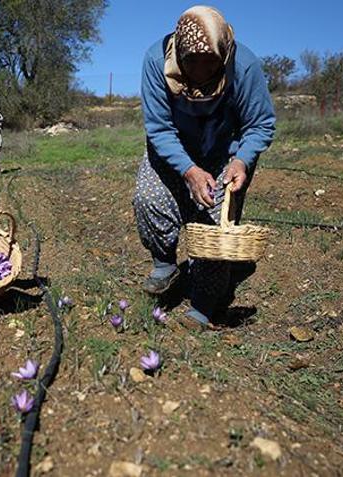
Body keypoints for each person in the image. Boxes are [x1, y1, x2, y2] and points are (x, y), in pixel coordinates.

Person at [133, 6, 275, 327]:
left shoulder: (245, 66)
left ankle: (203, 305)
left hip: (226, 152)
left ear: (223, 54)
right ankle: (165, 265)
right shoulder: (157, 62)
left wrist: (242, 160)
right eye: (190, 62)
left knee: (216, 226)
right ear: (178, 54)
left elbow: (260, 124)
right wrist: (189, 170)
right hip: (173, 149)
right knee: (149, 198)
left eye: (209, 61)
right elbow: (158, 129)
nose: (199, 71)